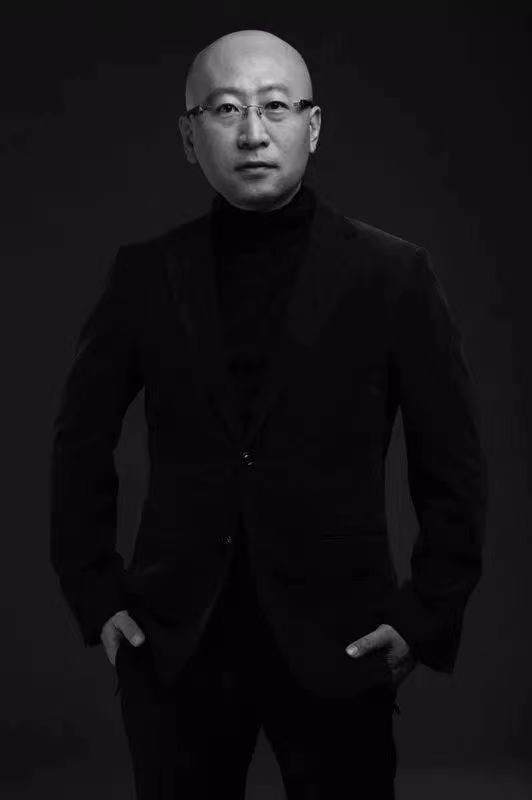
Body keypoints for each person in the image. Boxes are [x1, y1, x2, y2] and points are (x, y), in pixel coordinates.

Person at [49, 28, 488, 800]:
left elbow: (451, 464)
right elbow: (78, 441)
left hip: (343, 642)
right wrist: (97, 597)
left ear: (312, 127)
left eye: (275, 107)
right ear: (189, 138)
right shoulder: (146, 274)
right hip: (175, 642)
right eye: (225, 110)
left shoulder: (394, 276)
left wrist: (424, 618)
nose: (253, 132)